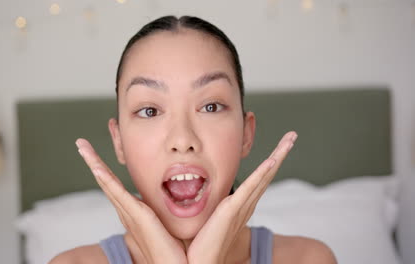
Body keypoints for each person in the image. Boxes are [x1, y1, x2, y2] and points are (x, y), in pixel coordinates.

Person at [49, 15, 337, 264]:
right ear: (119, 141)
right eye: (150, 110)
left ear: (246, 134)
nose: (182, 139)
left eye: (210, 106)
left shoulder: (308, 259)